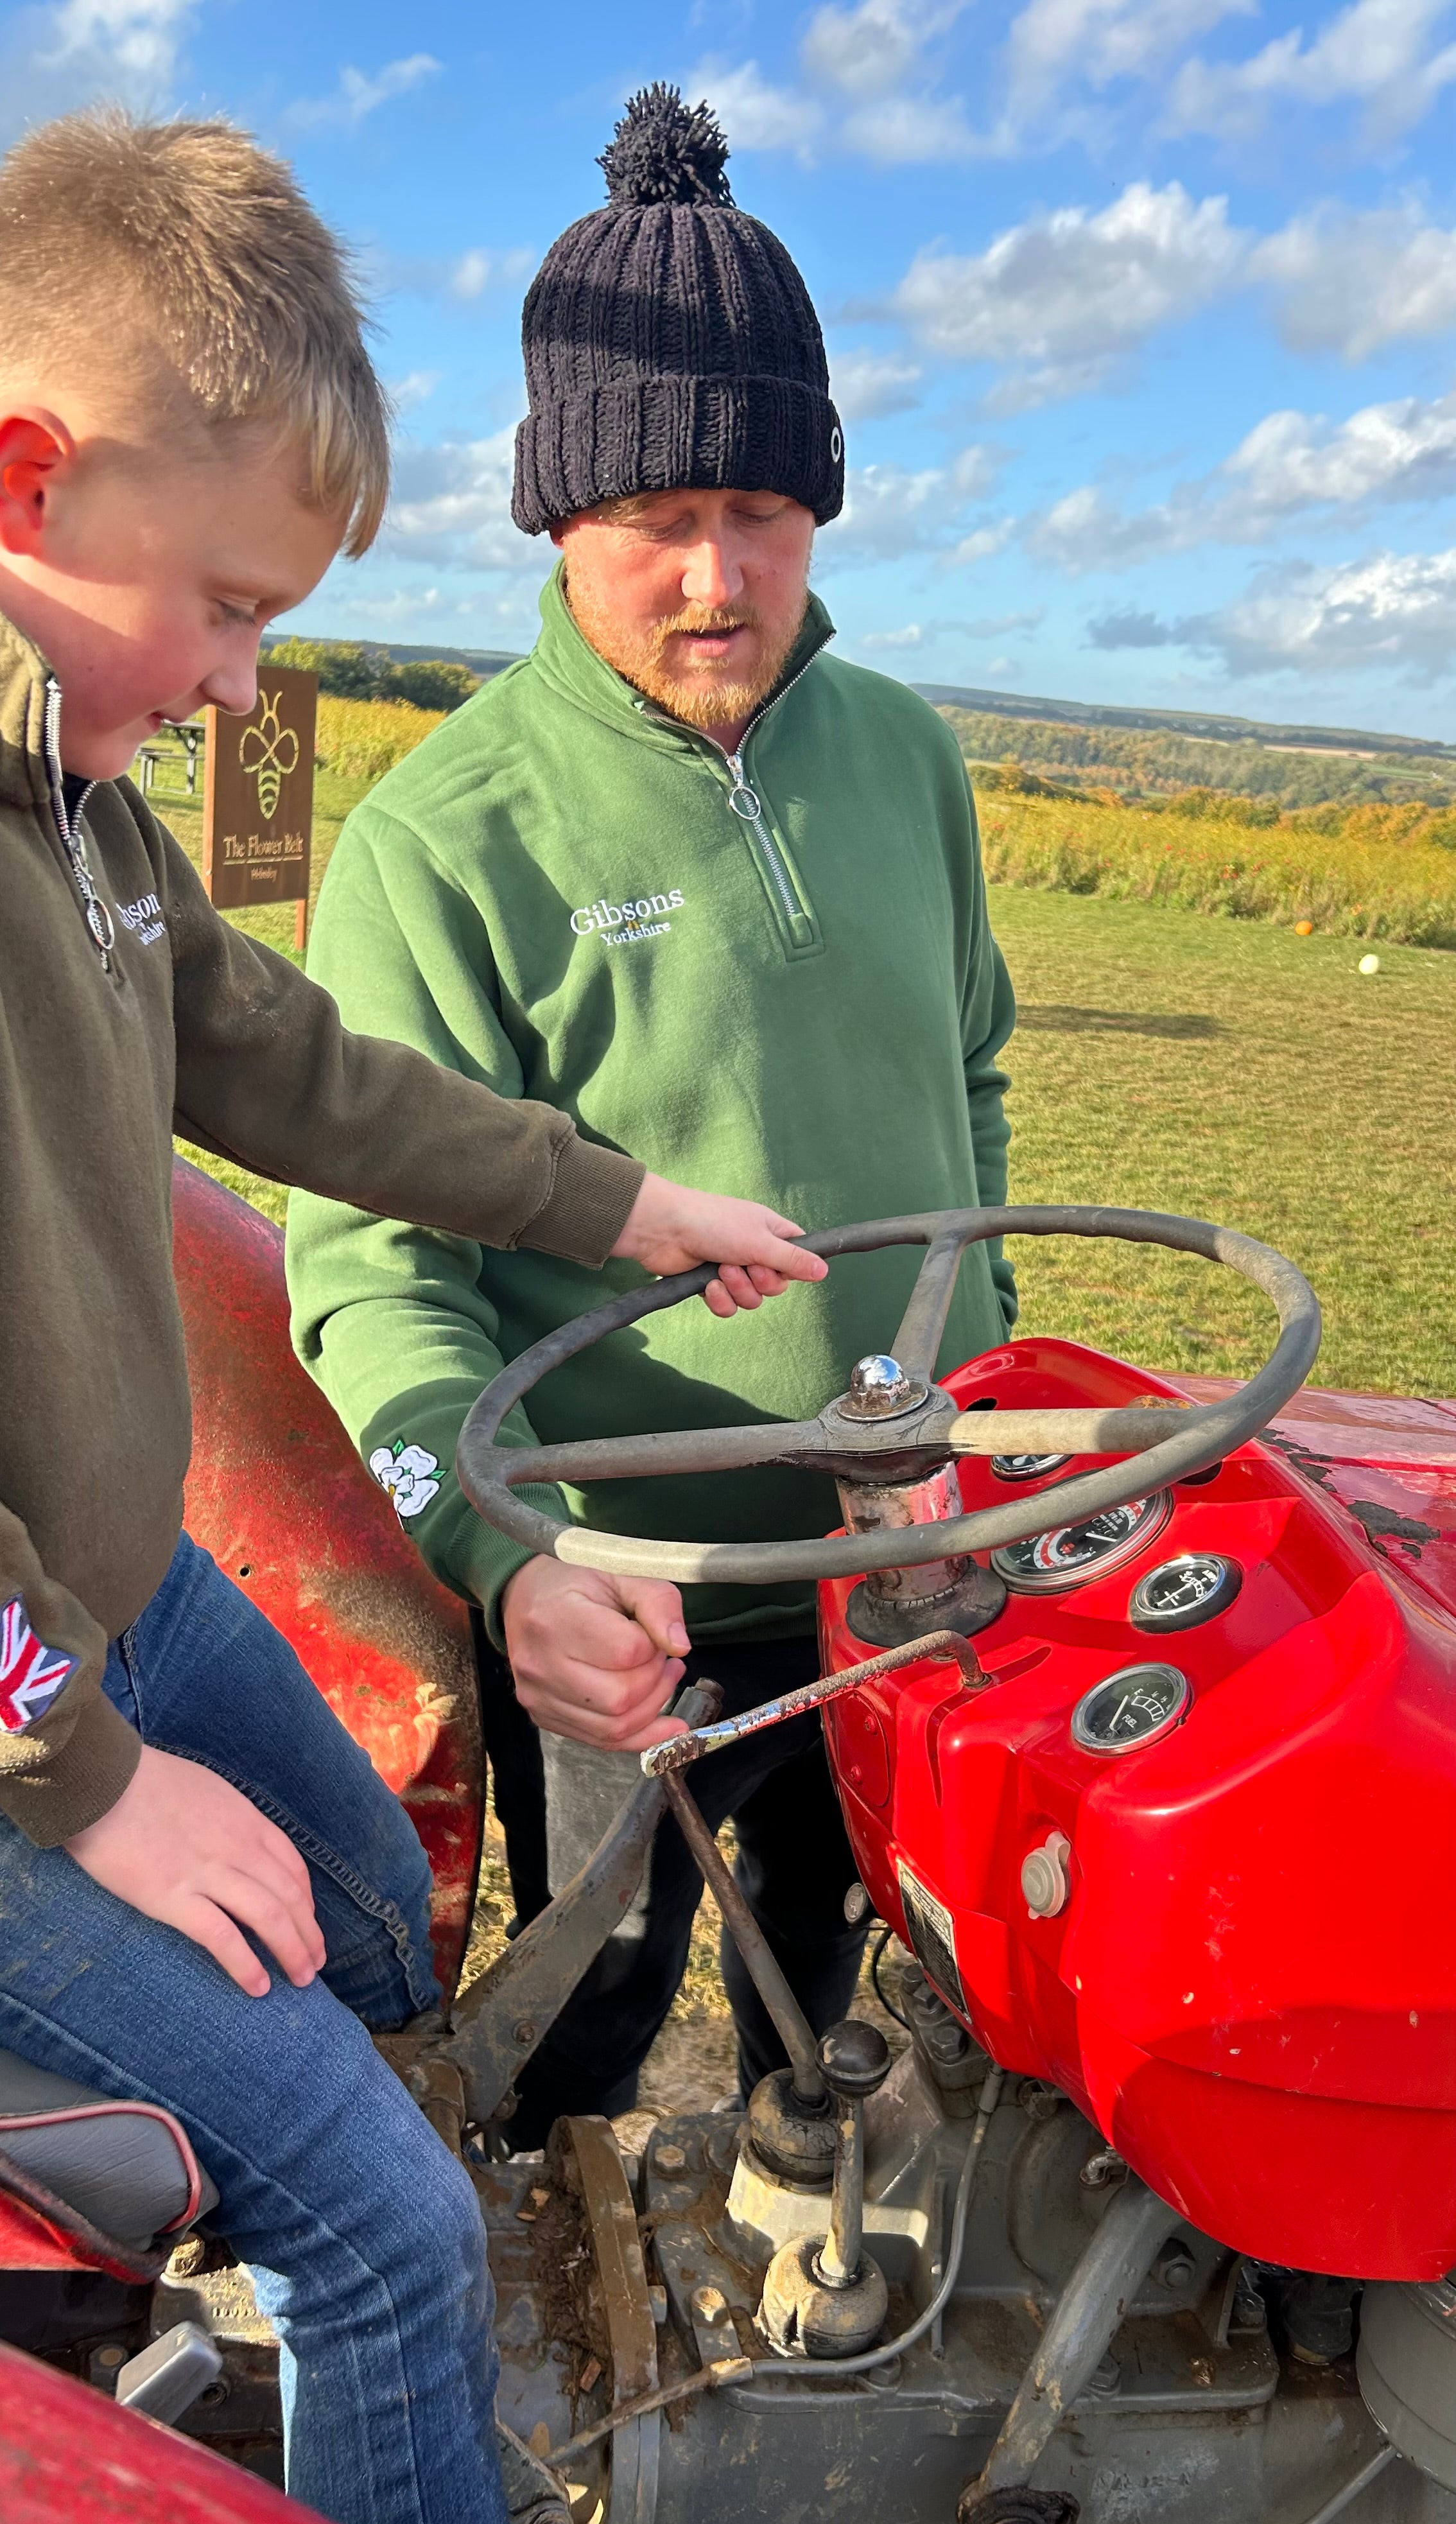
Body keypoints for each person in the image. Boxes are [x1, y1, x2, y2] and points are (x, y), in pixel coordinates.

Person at [0, 107, 828, 2524]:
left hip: (116, 1592)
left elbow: (297, 1069)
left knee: (377, 1912)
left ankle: (281, 2329)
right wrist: (74, 1772)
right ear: (24, 471)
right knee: (392, 2224)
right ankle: (368, 2373)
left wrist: (627, 1200)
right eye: (229, 606)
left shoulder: (76, 810)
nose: (250, 677)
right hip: (24, 1689)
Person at [288, 86, 1018, 2152]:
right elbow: (373, 1260)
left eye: (766, 514)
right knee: (589, 1996)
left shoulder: (906, 763)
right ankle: (536, 2293)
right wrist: (502, 1552)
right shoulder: (446, 839)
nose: (718, 576)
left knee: (870, 1983)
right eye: (655, 520)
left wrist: (978, 1387)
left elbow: (965, 1086)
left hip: (912, 1547)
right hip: (629, 1584)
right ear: (555, 518)